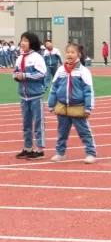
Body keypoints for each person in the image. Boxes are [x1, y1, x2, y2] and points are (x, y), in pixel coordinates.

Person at [47, 43, 97, 164]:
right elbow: (54, 89)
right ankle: (60, 153)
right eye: (68, 52)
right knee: (62, 132)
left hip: (78, 107)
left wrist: (88, 107)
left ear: (78, 54)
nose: (69, 54)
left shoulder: (83, 71)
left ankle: (91, 153)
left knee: (84, 132)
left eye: (72, 52)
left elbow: (88, 91)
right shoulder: (60, 70)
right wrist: (51, 104)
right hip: (63, 107)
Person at [13, 32, 47, 160]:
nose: (22, 43)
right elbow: (15, 72)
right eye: (21, 40)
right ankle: (28, 148)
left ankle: (39, 150)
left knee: (38, 123)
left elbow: (42, 74)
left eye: (25, 40)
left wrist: (25, 76)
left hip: (35, 96)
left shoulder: (37, 57)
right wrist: (16, 76)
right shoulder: (19, 57)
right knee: (26, 124)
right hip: (23, 96)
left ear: (31, 42)